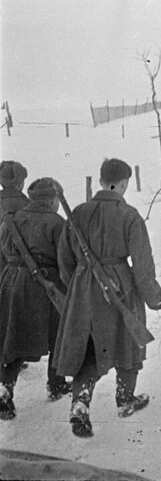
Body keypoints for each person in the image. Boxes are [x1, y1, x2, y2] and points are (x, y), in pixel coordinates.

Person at [54, 158, 161, 437]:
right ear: (124, 183)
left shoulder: (77, 212)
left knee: (89, 348)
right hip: (121, 288)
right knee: (127, 343)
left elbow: (64, 259)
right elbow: (142, 264)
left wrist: (78, 285)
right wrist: (153, 297)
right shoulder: (129, 215)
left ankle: (80, 402)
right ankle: (125, 399)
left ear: (102, 181)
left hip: (83, 288)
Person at [0, 178, 70, 420]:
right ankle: (56, 383)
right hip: (45, 286)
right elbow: (65, 261)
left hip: (11, 283)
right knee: (58, 334)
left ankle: (5, 390)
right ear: (52, 200)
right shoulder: (57, 223)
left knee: (14, 336)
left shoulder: (11, 220)